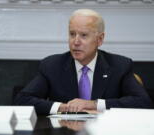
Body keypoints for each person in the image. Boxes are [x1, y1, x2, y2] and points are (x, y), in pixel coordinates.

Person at [14, 9, 153, 115]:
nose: (76, 42)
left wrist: (93, 104)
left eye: (84, 35)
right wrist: (63, 107)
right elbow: (22, 100)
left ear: (100, 39)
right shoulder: (52, 65)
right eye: (72, 34)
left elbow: (143, 102)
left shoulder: (119, 66)